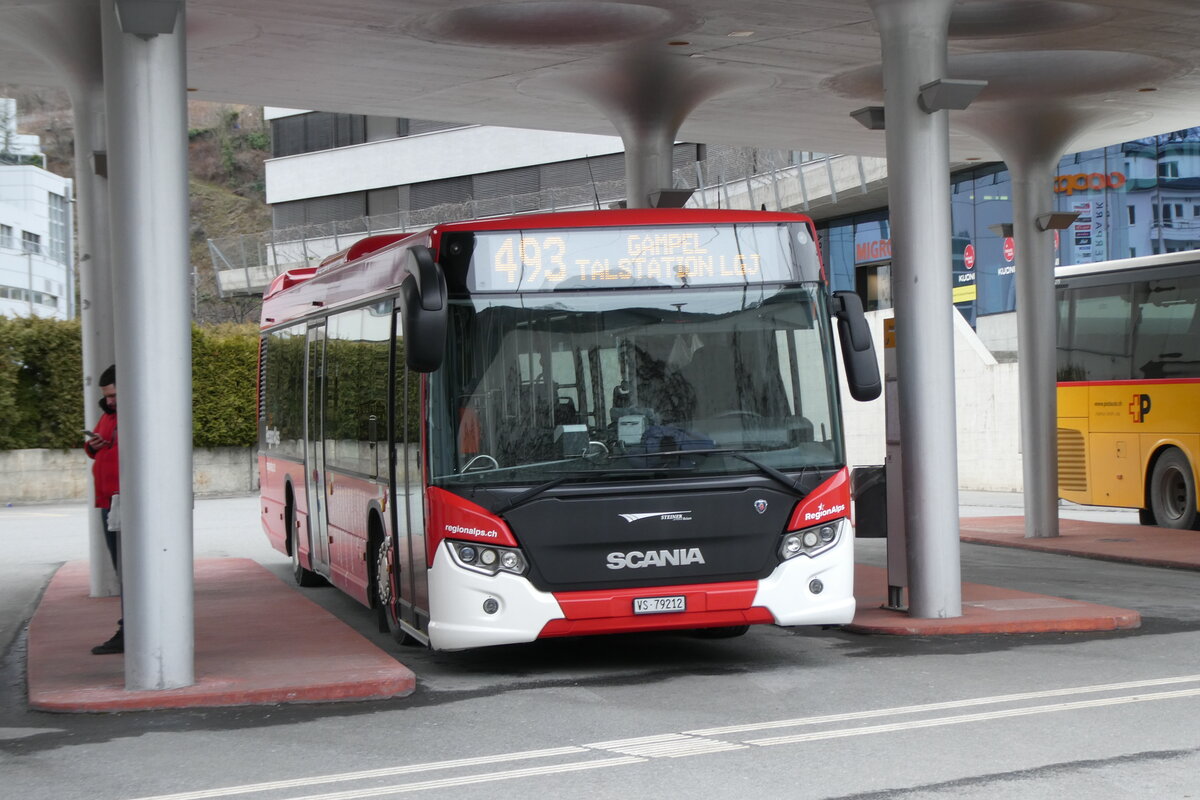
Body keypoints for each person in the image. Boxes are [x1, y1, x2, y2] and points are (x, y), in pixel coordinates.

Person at [84, 364, 123, 655]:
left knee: (128, 568)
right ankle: (129, 626)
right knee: (121, 568)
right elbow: (96, 445)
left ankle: (130, 628)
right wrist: (94, 446)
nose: (108, 401)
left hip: (123, 502)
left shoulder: (136, 413)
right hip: (107, 501)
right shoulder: (109, 415)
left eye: (113, 395)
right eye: (106, 396)